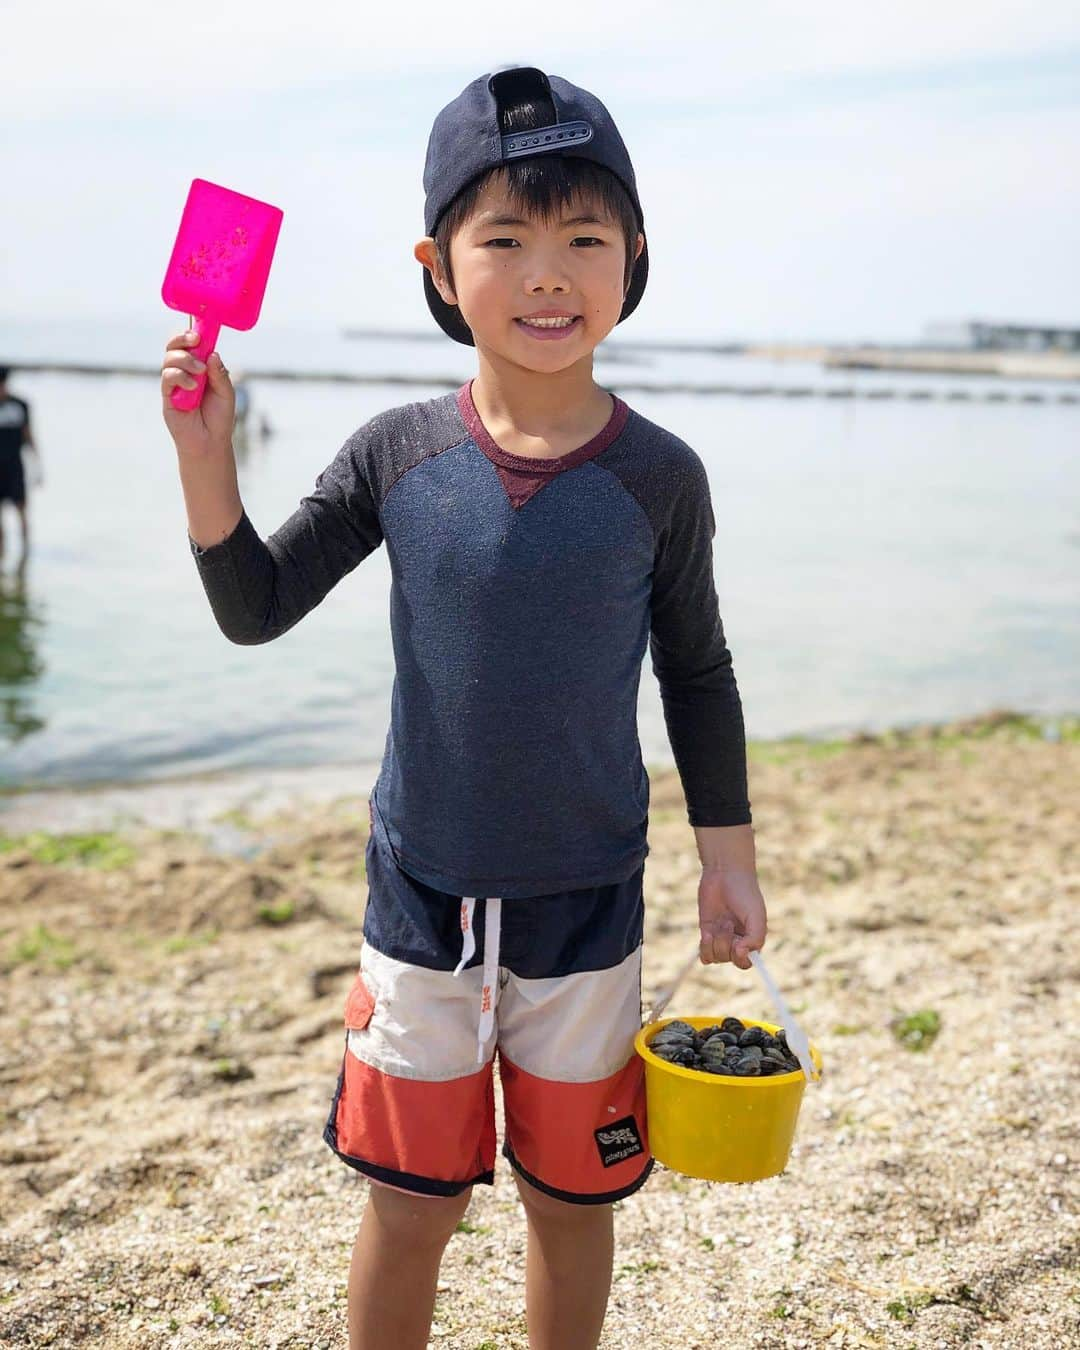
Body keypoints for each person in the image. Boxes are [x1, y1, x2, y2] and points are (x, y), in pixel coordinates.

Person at [160, 64, 767, 1350]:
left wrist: (730, 863)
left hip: (586, 905)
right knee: (408, 1203)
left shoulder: (662, 477)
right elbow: (256, 605)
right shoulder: (398, 453)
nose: (548, 274)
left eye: (583, 239)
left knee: (571, 1196)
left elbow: (698, 672)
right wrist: (207, 461)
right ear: (440, 267)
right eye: (507, 240)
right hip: (419, 900)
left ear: (634, 257)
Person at [0, 365, 41, 566]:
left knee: (21, 510)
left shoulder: (20, 405)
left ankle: (26, 553)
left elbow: (29, 436)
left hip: (15, 466)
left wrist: (37, 465)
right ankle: (4, 556)